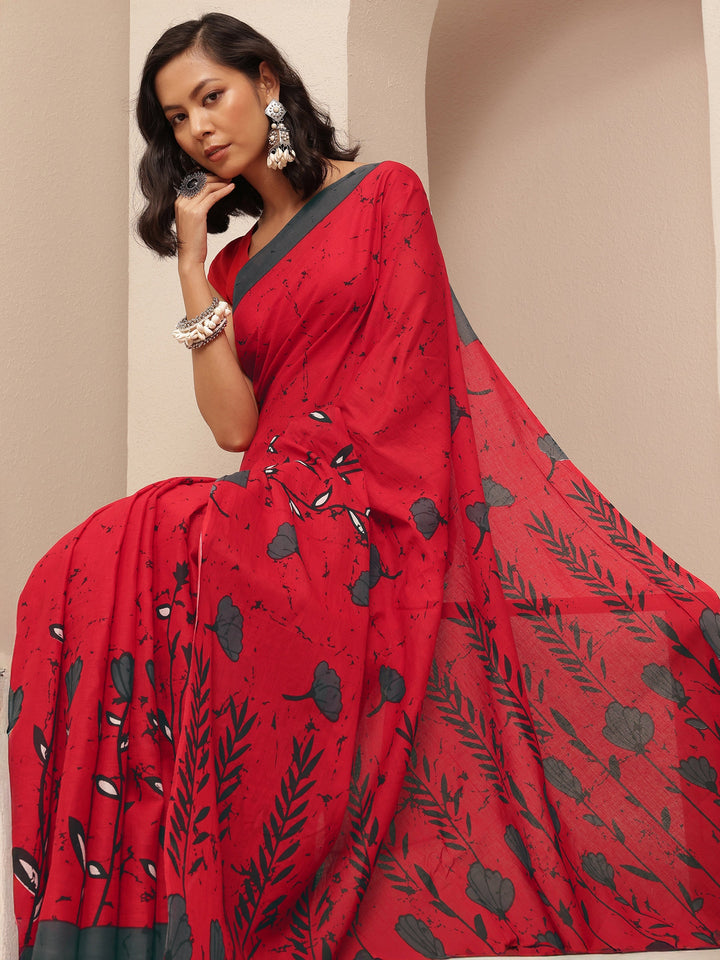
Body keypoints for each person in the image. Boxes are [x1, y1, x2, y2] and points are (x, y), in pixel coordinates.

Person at [9, 12, 720, 960]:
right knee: (92, 561)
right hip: (272, 492)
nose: (198, 129)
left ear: (266, 83)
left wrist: (320, 488)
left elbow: (409, 377)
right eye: (176, 118)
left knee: (146, 534)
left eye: (210, 97)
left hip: (359, 498)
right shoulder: (234, 262)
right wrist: (191, 268)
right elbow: (233, 428)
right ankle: (132, 918)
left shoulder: (385, 194)